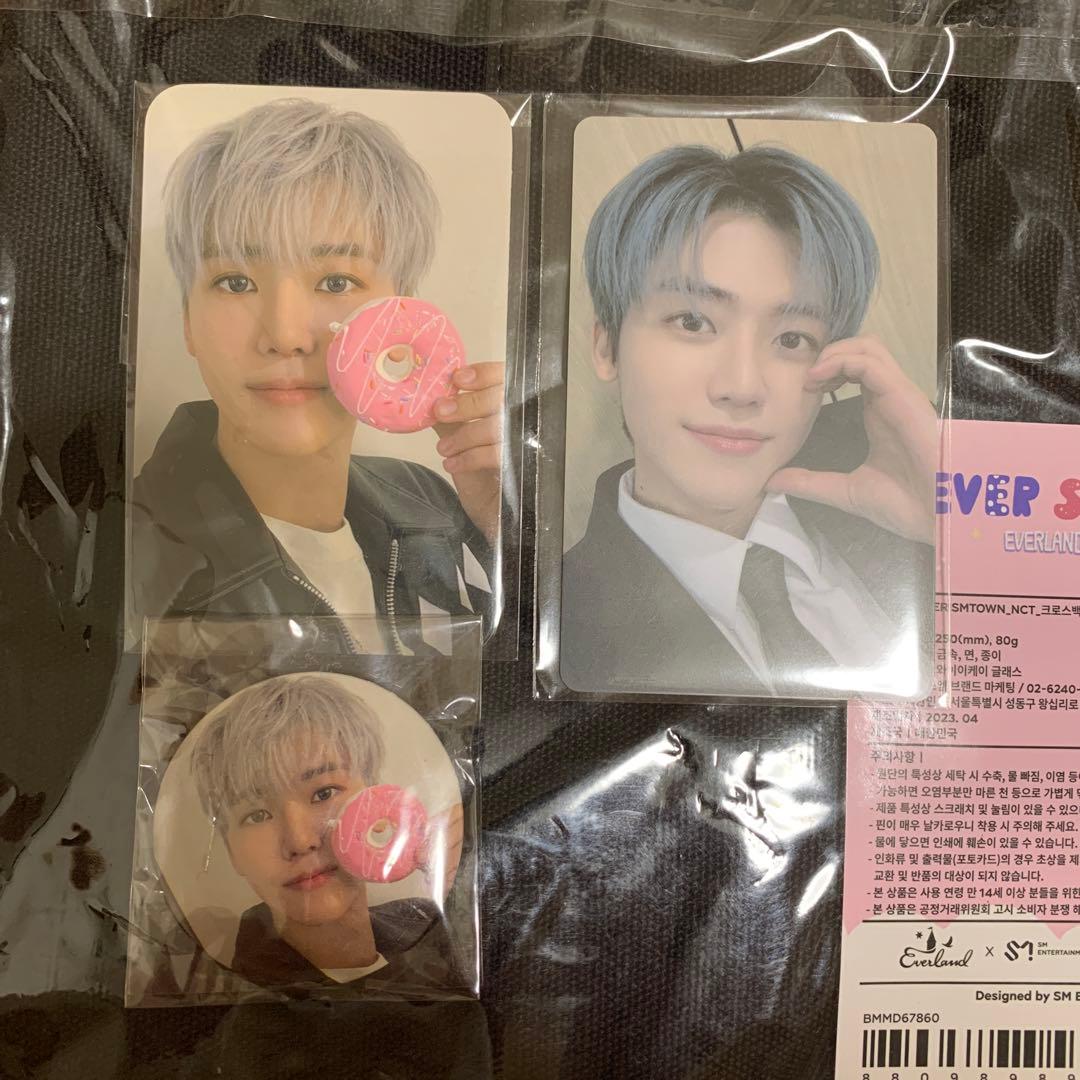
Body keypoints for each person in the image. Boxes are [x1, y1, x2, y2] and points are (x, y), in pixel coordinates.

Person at [560, 144, 936, 698]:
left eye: (792, 338)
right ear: (607, 346)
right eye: (693, 322)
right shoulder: (556, 629)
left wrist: (958, 528)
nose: (742, 387)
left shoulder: (911, 480)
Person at [130, 99, 503, 652]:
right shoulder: (122, 559)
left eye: (335, 282)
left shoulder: (435, 502)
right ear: (188, 320)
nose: (285, 336)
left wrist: (506, 528)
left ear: (401, 312)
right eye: (236, 282)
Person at [187, 673, 468, 993]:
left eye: (324, 793)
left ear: (375, 799)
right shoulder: (216, 1001)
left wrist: (473, 894)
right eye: (257, 815)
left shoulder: (432, 925)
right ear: (230, 850)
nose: (300, 841)